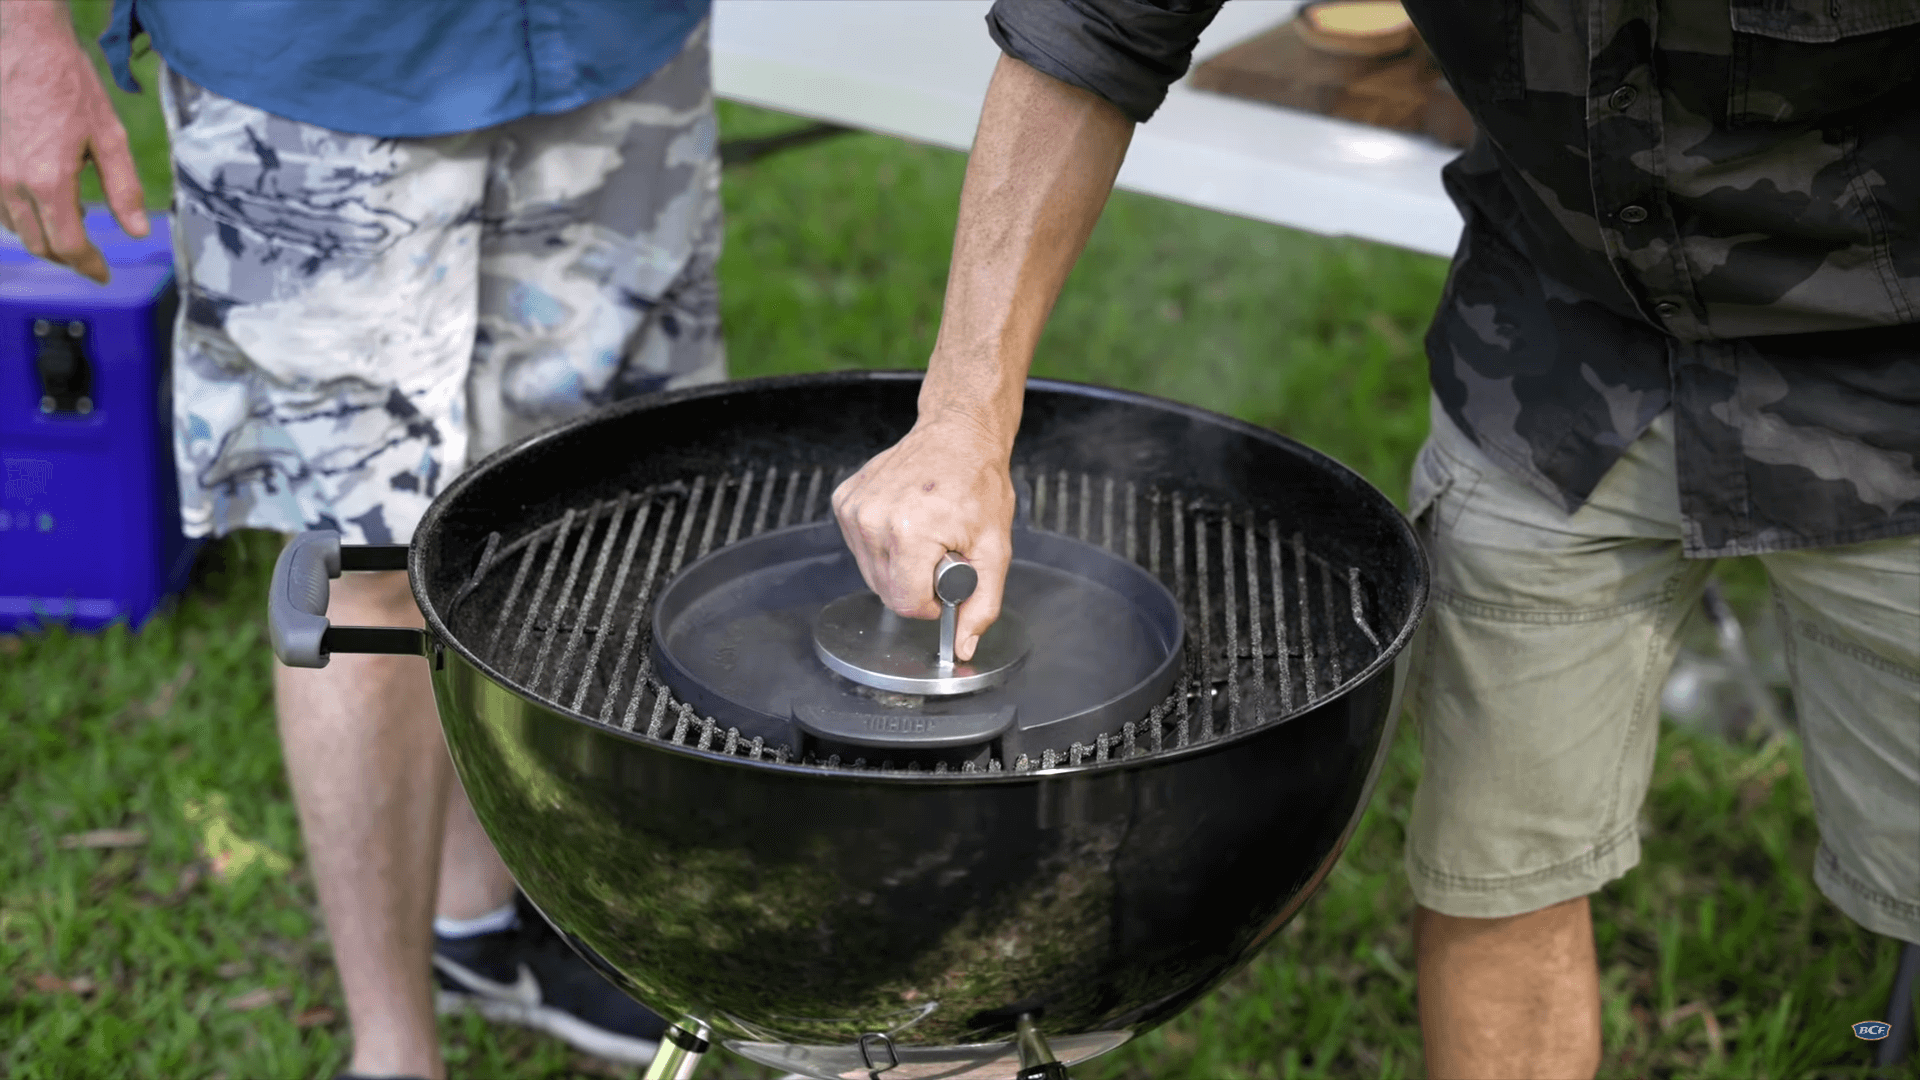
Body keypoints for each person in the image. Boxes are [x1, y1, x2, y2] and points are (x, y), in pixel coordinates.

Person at [830, 2, 1920, 1077]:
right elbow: (1092, 26)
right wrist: (964, 413)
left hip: (1890, 383)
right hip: (1553, 362)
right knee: (1498, 864)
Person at [0, 1, 725, 1076]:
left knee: (571, 512)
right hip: (317, 67)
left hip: (615, 35)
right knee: (369, 565)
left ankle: (479, 926)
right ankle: (392, 1054)